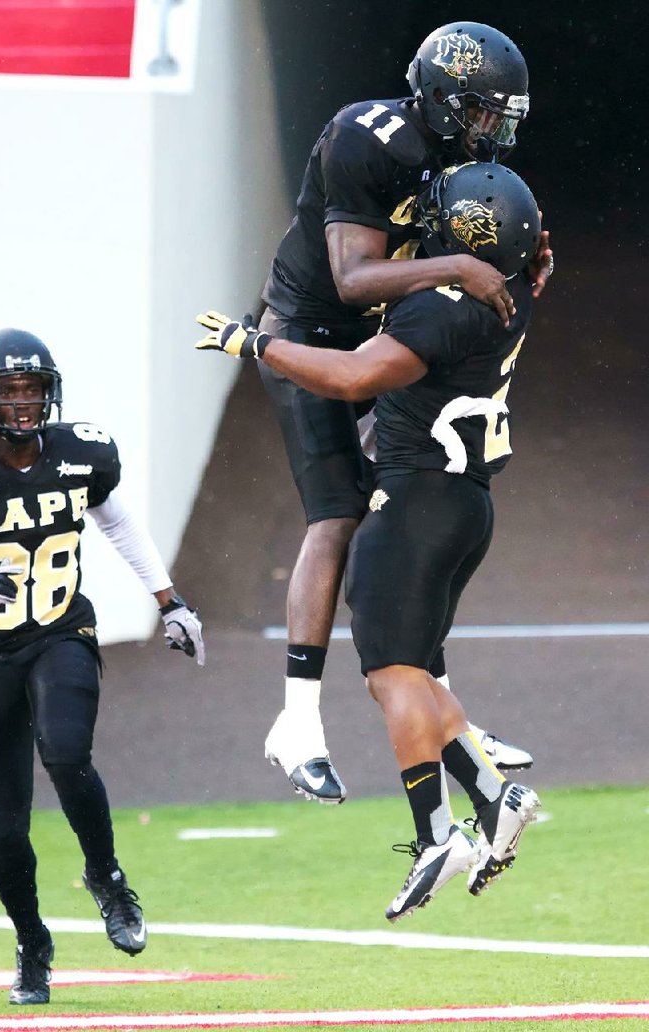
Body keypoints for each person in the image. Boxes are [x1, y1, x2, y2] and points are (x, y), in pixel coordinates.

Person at [195, 160, 543, 919]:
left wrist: (253, 345)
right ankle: (493, 793)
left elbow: (353, 378)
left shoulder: (439, 309)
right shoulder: (505, 296)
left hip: (414, 502)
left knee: (391, 676)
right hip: (464, 504)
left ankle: (435, 835)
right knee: (410, 671)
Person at [255, 21, 553, 804]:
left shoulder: (455, 156)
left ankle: (446, 710)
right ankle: (297, 722)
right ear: (446, 100)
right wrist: (457, 263)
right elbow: (353, 278)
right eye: (484, 113)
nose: (494, 132)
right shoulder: (367, 137)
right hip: (312, 330)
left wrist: (516, 255)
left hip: (378, 336)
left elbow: (473, 229)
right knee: (339, 515)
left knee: (410, 513)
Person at [0, 328, 205, 1005]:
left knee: (67, 752)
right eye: (8, 392)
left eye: (32, 390)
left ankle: (106, 879)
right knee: (2, 818)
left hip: (62, 629)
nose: (22, 404)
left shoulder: (82, 452)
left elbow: (117, 522)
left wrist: (171, 601)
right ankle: (32, 942)